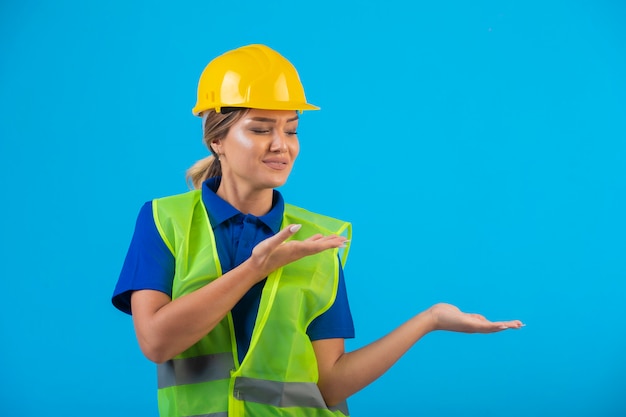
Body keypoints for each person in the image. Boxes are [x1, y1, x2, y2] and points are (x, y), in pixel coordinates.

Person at [112, 44, 523, 417]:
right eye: (260, 129)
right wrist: (256, 268)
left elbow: (331, 384)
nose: (281, 145)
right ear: (217, 140)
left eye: (291, 129)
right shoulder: (164, 221)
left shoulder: (318, 240)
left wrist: (430, 319)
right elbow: (156, 342)